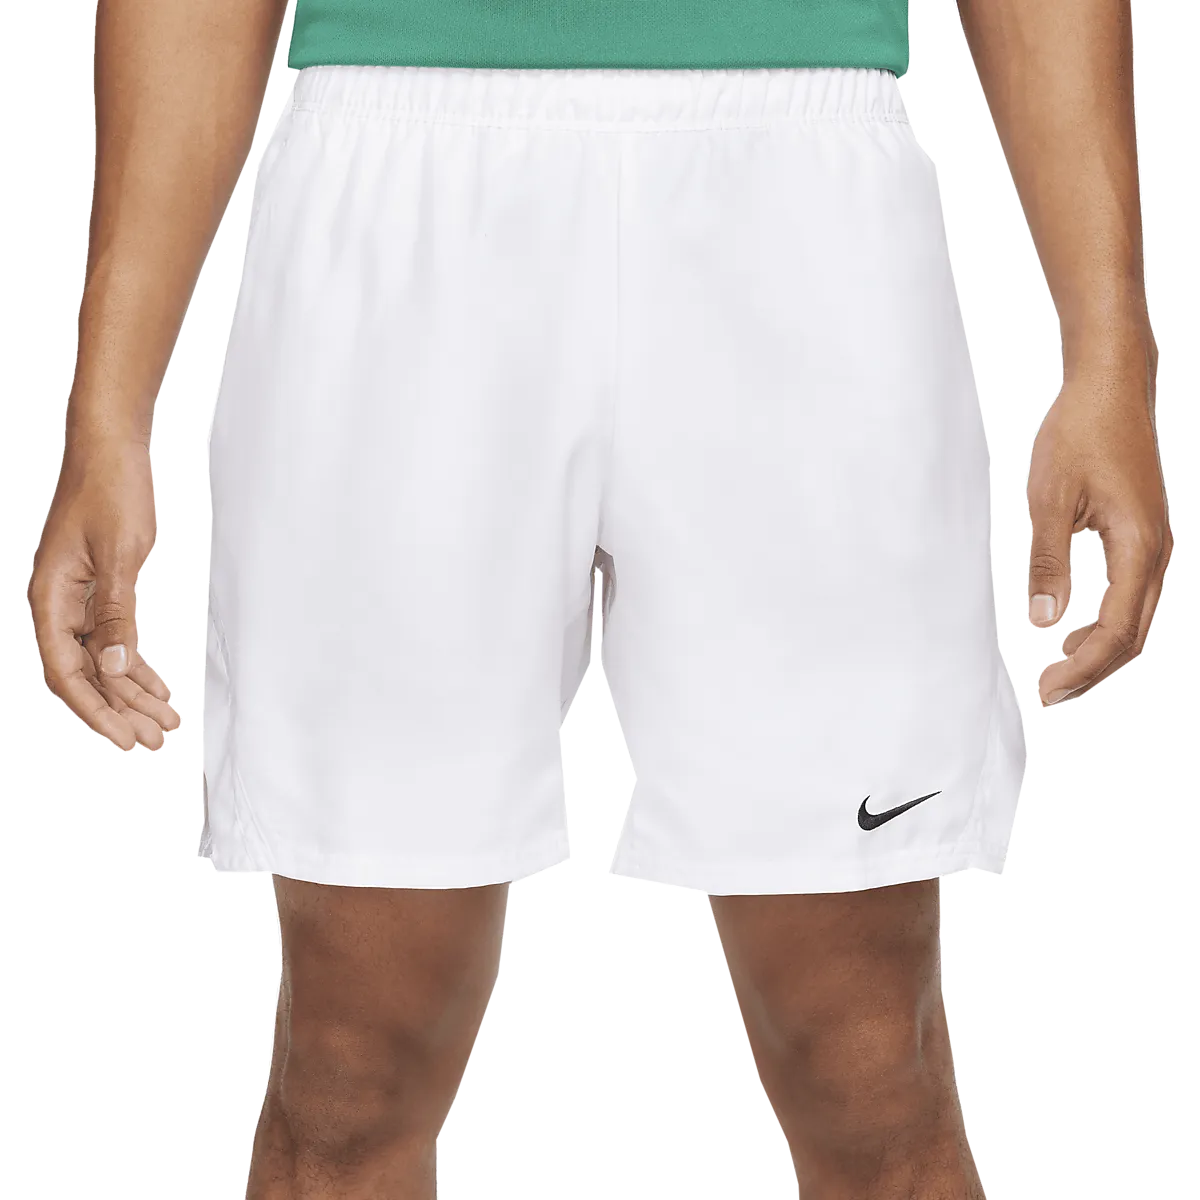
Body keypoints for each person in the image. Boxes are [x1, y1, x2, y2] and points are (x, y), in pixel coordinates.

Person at [29, 1, 1170, 1197]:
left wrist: (1111, 356)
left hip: (802, 190)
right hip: (400, 187)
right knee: (351, 1068)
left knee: (869, 1061)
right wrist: (107, 416)